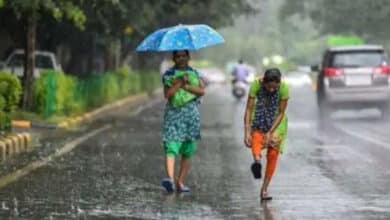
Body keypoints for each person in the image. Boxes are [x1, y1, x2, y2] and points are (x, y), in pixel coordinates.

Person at [161, 50, 205, 193]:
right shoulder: (168, 75)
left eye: (183, 56)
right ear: (173, 58)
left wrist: (186, 85)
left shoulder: (194, 73)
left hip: (191, 115)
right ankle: (170, 180)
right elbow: (168, 95)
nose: (181, 58)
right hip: (174, 114)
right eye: (178, 56)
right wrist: (179, 83)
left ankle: (180, 182)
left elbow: (201, 91)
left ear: (188, 57)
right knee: (171, 145)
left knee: (188, 149)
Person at [243, 68, 289, 200]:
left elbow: (281, 112)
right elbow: (249, 108)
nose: (271, 90)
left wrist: (270, 132)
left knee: (273, 154)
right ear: (264, 81)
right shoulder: (256, 84)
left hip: (277, 121)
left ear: (279, 83)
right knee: (256, 137)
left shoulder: (284, 88)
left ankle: (264, 189)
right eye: (269, 86)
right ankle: (257, 161)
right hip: (259, 116)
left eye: (275, 87)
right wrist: (246, 132)